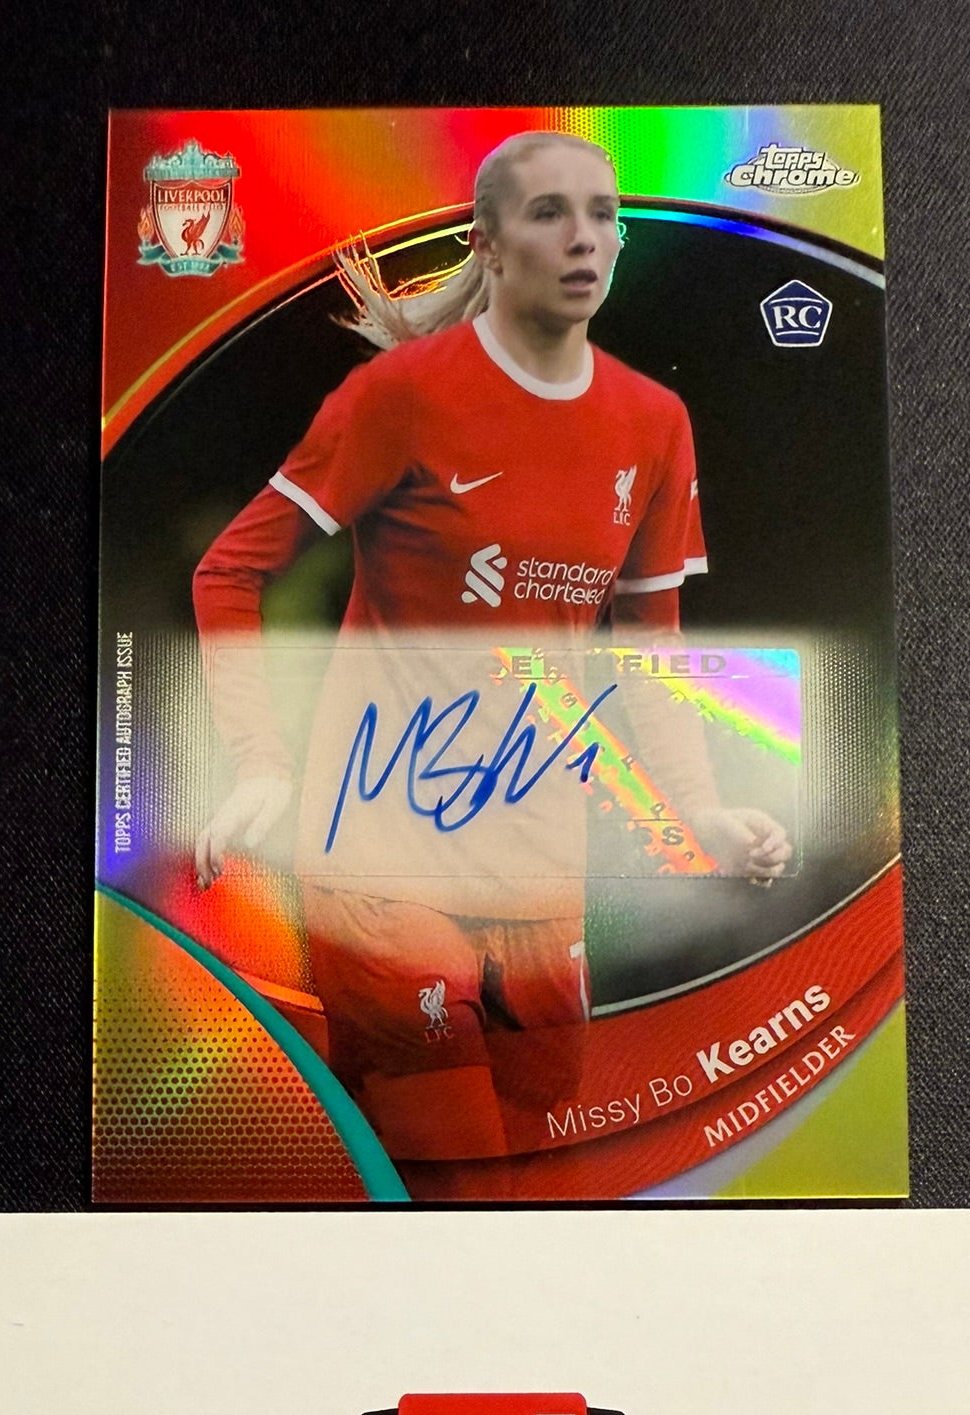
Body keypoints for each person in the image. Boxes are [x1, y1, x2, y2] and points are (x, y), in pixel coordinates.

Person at [192, 131, 790, 1169]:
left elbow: (649, 644)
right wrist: (261, 765)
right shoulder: (402, 398)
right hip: (380, 862)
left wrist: (700, 812)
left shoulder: (654, 423)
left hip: (540, 876)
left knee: (536, 1190)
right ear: (490, 241)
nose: (584, 238)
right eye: (548, 212)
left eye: (604, 214)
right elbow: (228, 571)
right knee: (468, 1196)